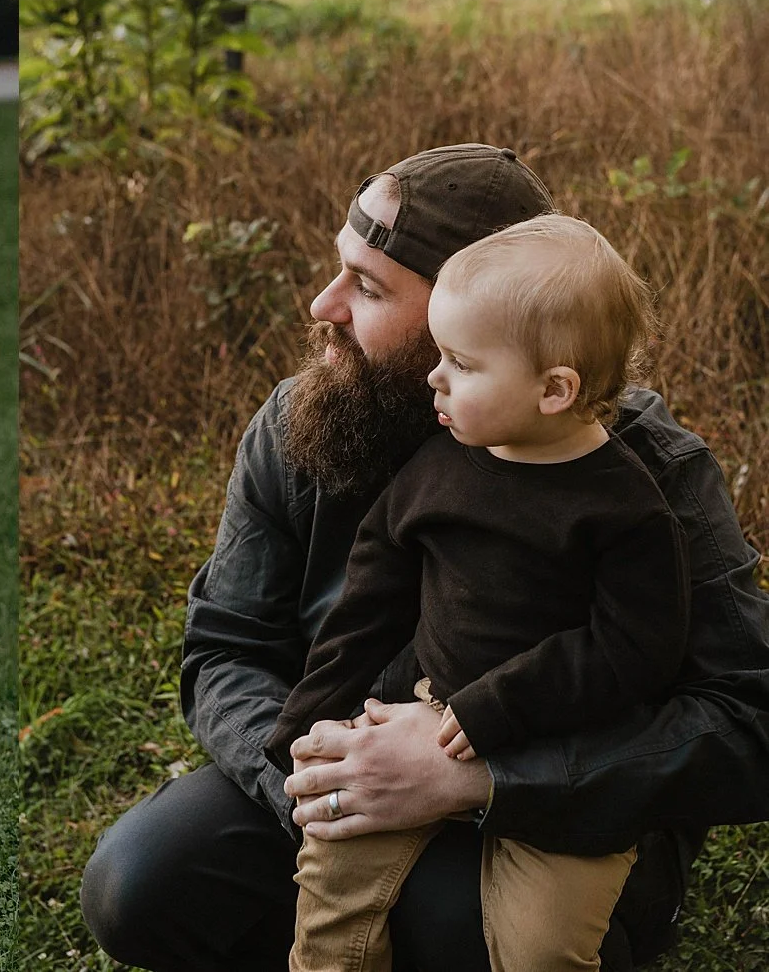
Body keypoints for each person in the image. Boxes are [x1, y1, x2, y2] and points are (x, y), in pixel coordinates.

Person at [79, 143, 769, 971]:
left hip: (551, 814)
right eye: (341, 268)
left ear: (483, 317)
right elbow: (227, 644)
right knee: (140, 882)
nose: (322, 305)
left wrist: (483, 779)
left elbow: (747, 720)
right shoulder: (309, 419)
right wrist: (317, 780)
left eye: (369, 287)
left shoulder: (646, 474)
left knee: (450, 922)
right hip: (347, 782)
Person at [267, 215, 689, 971]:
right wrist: (304, 720)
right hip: (419, 719)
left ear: (554, 388)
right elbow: (371, 600)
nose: (435, 376)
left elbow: (635, 648)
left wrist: (498, 707)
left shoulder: (625, 506)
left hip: (563, 757)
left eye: (460, 362)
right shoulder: (438, 467)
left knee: (541, 950)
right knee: (331, 899)